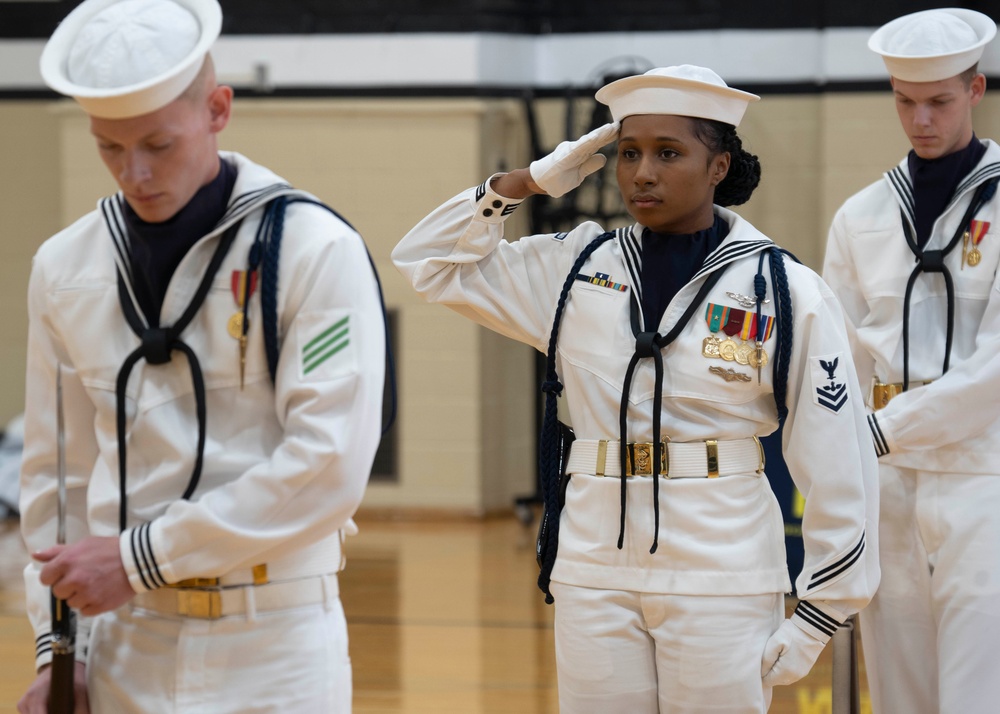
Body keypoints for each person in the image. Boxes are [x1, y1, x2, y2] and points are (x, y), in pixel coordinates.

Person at [393, 64, 879, 713]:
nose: (642, 173)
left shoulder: (782, 290)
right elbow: (426, 262)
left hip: (722, 571)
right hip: (593, 565)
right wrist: (527, 182)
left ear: (719, 167)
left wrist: (823, 608)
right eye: (628, 153)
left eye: (668, 153)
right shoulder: (577, 267)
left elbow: (837, 459)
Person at [17, 1, 387, 712]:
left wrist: (136, 559)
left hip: (276, 640)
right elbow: (58, 477)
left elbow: (328, 464)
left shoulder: (314, 248)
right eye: (110, 148)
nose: (135, 172)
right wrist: (60, 651)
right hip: (123, 640)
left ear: (218, 108)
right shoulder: (63, 266)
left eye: (158, 144)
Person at [823, 8, 1000, 714]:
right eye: (904, 101)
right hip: (885, 479)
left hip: (983, 469)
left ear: (976, 90)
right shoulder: (859, 215)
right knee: (897, 686)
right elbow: (833, 360)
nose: (919, 119)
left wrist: (877, 431)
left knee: (977, 683)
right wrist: (839, 461)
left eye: (939, 101)